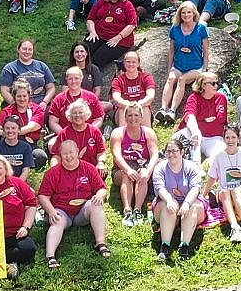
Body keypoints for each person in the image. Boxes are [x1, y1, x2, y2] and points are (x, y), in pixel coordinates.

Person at [37, 138, 111, 268]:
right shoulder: (52, 173)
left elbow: (102, 188)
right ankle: (50, 256)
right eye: (65, 154)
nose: (68, 156)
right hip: (62, 211)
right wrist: (51, 211)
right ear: (60, 155)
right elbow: (43, 196)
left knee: (96, 205)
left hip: (82, 210)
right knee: (57, 221)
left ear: (78, 152)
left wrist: (99, 195)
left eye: (71, 152)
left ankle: (101, 244)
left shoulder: (89, 168)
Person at [109, 104, 159, 225]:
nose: (133, 118)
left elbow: (155, 155)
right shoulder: (118, 133)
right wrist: (128, 169)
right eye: (130, 115)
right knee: (127, 175)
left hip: (142, 166)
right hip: (121, 169)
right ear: (125, 117)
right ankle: (127, 210)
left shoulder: (148, 133)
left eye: (136, 115)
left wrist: (148, 172)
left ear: (141, 117)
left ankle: (137, 209)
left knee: (142, 174)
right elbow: (116, 155)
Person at [207, 128, 241, 243]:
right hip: (225, 194)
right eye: (227, 137)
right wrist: (204, 194)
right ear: (224, 139)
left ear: (238, 139)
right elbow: (212, 178)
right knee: (225, 191)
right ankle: (234, 227)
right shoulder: (219, 156)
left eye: (233, 137)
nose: (230, 140)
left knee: (236, 190)